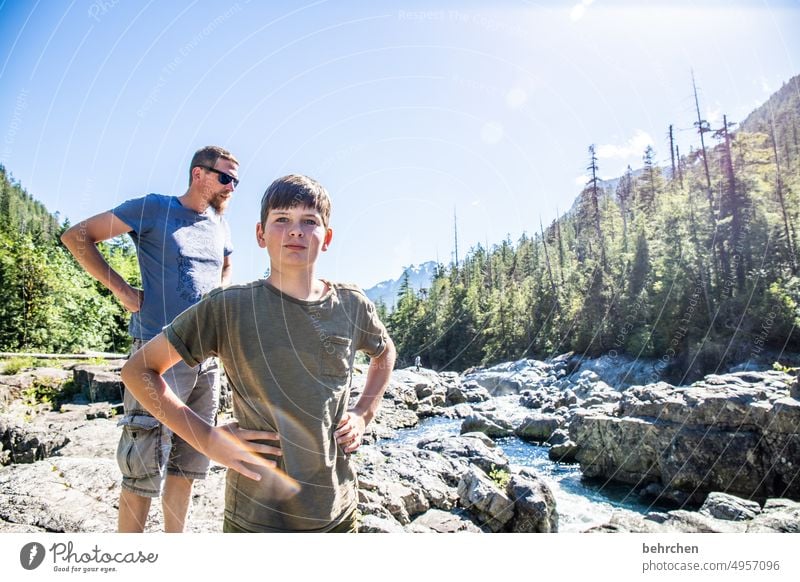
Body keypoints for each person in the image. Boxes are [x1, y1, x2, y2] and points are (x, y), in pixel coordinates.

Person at [120, 174, 396, 533]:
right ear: (260, 234)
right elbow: (138, 371)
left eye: (309, 221)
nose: (295, 231)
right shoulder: (229, 307)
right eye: (281, 219)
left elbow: (384, 352)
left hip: (336, 510)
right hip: (255, 519)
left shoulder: (351, 304)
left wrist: (362, 413)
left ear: (326, 238)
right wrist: (206, 438)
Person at [60, 146, 239, 532]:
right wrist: (122, 291)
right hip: (156, 358)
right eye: (225, 178)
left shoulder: (219, 224)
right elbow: (77, 236)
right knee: (141, 466)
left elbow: (226, 263)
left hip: (206, 362)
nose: (231, 187)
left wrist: (221, 296)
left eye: (236, 181)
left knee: (188, 465)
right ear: (198, 174)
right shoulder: (154, 208)